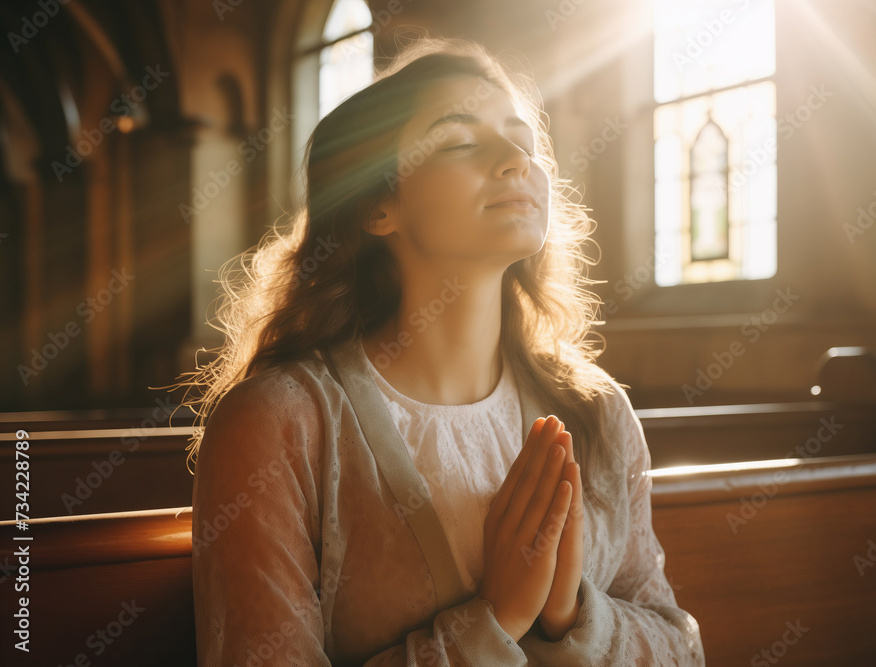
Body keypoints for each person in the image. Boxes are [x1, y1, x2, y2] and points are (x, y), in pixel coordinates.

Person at [173, 31, 705, 666]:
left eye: (524, 140)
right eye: (460, 141)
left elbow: (679, 647)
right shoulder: (279, 425)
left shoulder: (598, 411)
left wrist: (570, 618)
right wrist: (496, 622)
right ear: (377, 206)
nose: (517, 159)